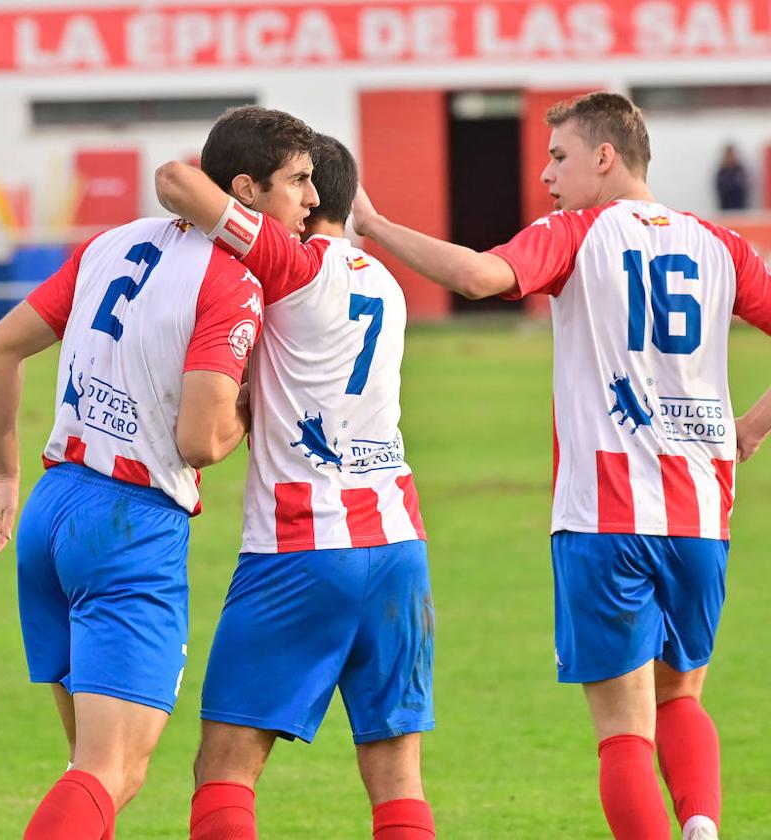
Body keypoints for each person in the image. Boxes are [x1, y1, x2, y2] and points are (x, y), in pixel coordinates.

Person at [353, 91, 771, 840]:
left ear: (605, 158)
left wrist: (378, 228)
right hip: (702, 515)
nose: (547, 175)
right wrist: (750, 428)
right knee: (682, 699)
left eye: (559, 157)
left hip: (604, 515)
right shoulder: (720, 244)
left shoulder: (577, 231)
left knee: (622, 731)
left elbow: (481, 278)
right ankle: (703, 823)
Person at [0, 106, 316, 839]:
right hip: (127, 526)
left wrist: (1, 472)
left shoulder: (112, 244)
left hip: (52, 508)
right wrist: (259, 405)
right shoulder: (232, 280)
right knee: (109, 772)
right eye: (297, 182)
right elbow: (198, 440)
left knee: (89, 770)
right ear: (246, 191)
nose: (310, 199)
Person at [156, 128, 435, 839]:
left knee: (224, 767)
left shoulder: (298, 264)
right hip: (399, 545)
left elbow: (180, 184)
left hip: (302, 548)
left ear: (313, 200)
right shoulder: (389, 286)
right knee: (397, 776)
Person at [714, 143, 749, 211]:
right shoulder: (721, 172)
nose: (730, 158)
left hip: (740, 208)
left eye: (731, 155)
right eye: (728, 155)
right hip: (725, 208)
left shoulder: (740, 170)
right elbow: (719, 189)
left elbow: (744, 188)